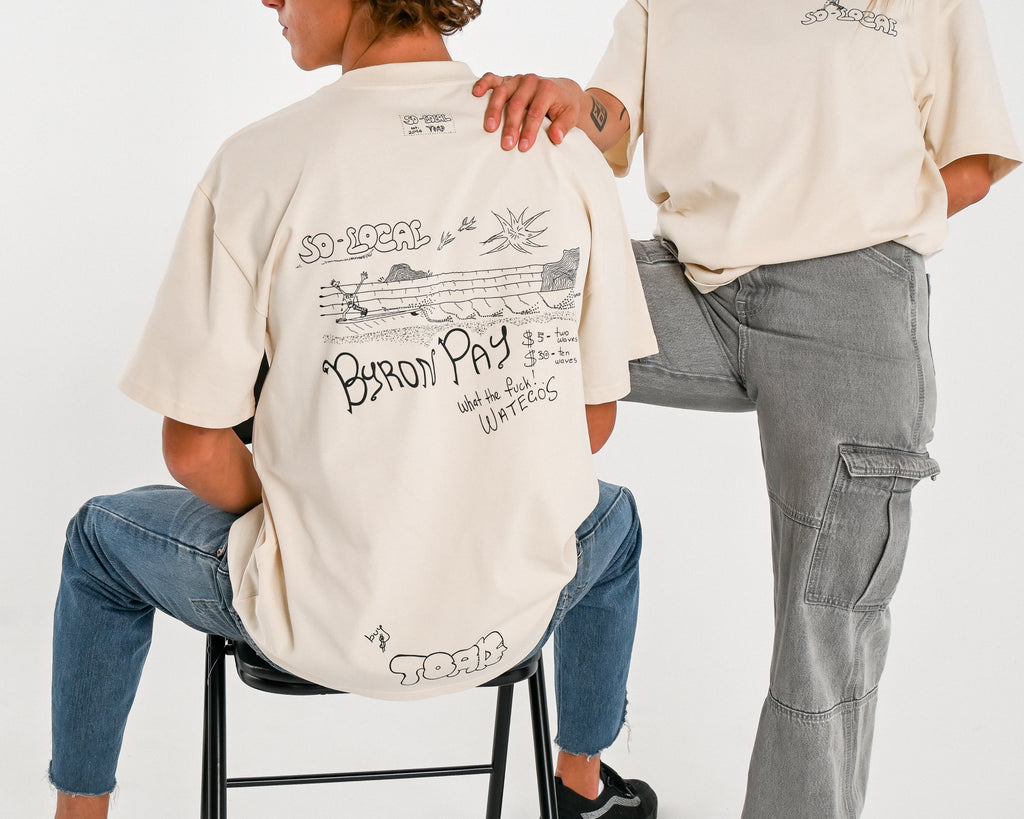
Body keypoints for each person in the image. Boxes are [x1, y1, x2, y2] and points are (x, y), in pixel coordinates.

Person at [48, 2, 662, 817]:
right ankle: (581, 788)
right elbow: (590, 427)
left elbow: (195, 450)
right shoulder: (562, 154)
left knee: (99, 543)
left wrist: (317, 512)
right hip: (513, 616)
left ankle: (79, 813)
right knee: (613, 525)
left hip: (316, 622)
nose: (268, 0)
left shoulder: (260, 162)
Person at [473, 1, 1021, 816]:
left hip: (850, 301)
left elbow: (975, 158)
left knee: (819, 636)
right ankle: (576, 778)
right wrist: (567, 96)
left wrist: (862, 222)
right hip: (692, 280)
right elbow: (612, 119)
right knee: (502, 298)